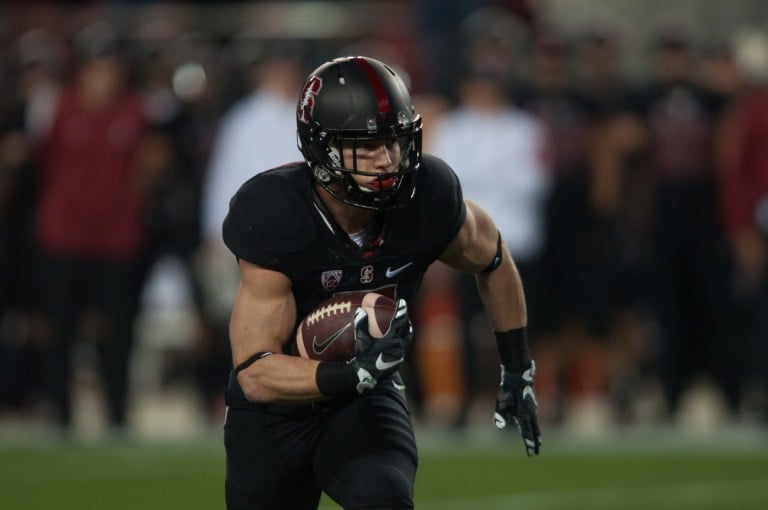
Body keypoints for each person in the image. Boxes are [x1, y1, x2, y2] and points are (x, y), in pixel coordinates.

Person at [221, 55, 541, 510]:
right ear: (324, 147)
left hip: (365, 398)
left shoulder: (426, 195)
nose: (388, 158)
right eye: (366, 145)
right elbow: (255, 371)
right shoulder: (276, 213)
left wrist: (516, 366)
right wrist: (348, 372)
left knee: (384, 498)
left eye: (394, 139)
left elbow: (493, 258)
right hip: (277, 412)